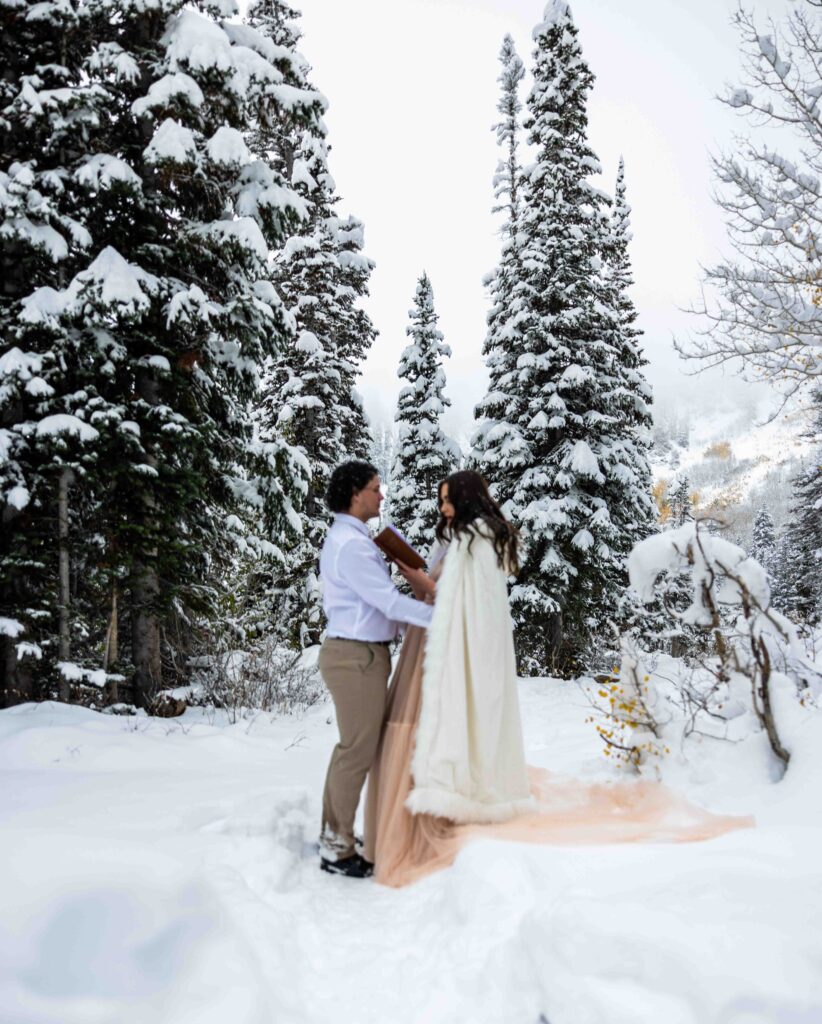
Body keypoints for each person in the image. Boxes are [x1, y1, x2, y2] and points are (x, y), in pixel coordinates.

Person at [365, 470, 754, 888]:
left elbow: (452, 600)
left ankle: (447, 805)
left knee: (442, 727)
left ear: (466, 499)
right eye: (440, 500)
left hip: (451, 647)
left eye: (447, 500)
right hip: (445, 643)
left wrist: (409, 570)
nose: (442, 508)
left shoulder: (473, 542)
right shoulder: (473, 539)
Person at [317, 460, 434, 879]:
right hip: (355, 657)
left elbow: (377, 604)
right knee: (357, 751)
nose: (381, 495)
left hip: (359, 654)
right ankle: (337, 846)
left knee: (353, 748)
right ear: (355, 493)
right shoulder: (353, 546)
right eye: (375, 488)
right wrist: (446, 616)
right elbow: (386, 601)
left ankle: (336, 834)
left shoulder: (353, 539)